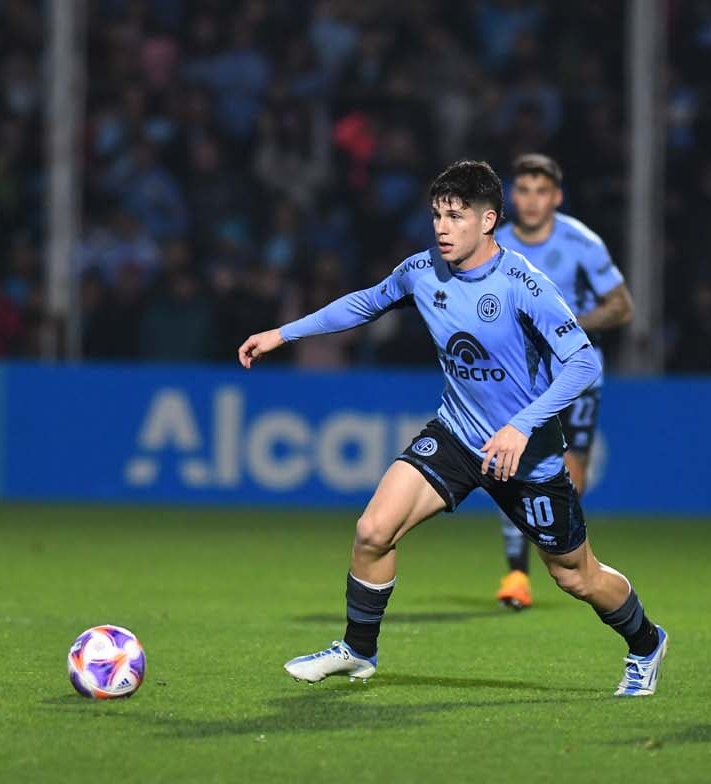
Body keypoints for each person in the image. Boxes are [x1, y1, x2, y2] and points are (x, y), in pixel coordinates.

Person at [238, 160, 668, 696]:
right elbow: (366, 302)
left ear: (487, 221)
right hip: (457, 435)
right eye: (437, 215)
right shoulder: (422, 271)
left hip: (527, 454)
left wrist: (520, 426)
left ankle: (646, 644)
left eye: (456, 216)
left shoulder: (524, 284)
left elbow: (583, 364)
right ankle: (358, 650)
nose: (442, 227)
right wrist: (284, 333)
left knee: (573, 575)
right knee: (374, 531)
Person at [491, 153, 633, 610]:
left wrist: (566, 325)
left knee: (572, 480)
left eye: (541, 192)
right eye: (524, 190)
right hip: (521, 379)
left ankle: (563, 558)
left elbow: (622, 307)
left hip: (576, 375)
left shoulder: (581, 243)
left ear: (557, 197)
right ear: (513, 196)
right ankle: (516, 573)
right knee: (513, 466)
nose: (532, 201)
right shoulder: (495, 245)